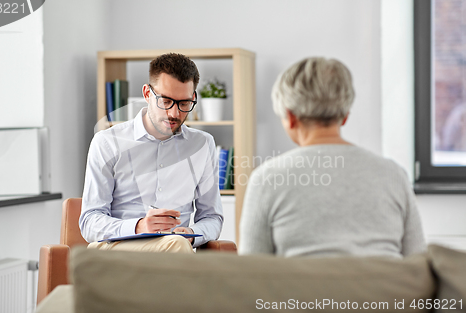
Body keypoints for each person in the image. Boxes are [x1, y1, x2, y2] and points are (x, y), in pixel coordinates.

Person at [239, 57, 426, 258]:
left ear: (290, 117)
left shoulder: (267, 178)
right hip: (385, 289)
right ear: (345, 115)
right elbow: (417, 261)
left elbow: (251, 273)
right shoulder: (393, 175)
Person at [80, 53, 223, 253]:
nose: (174, 114)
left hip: (175, 248)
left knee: (177, 245)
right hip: (116, 249)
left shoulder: (202, 144)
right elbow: (89, 221)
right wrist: (138, 226)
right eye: (166, 101)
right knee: (177, 249)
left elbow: (212, 217)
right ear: (147, 94)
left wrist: (191, 233)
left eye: (184, 104)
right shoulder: (107, 143)